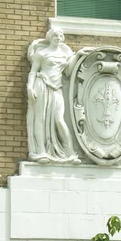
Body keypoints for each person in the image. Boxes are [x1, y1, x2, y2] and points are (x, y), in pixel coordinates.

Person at [26, 27, 87, 164]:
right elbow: (33, 71)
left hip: (57, 87)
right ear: (50, 38)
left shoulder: (65, 55)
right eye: (55, 36)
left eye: (60, 36)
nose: (58, 38)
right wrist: (30, 86)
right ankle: (41, 151)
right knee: (40, 118)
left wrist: (78, 55)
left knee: (59, 119)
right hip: (42, 85)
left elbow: (69, 71)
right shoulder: (42, 53)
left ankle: (69, 153)